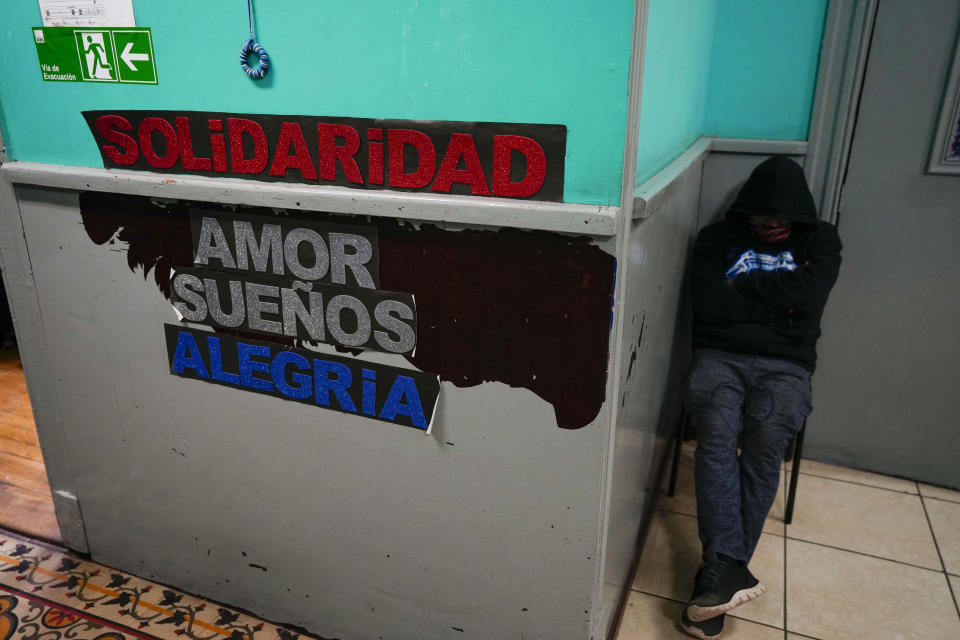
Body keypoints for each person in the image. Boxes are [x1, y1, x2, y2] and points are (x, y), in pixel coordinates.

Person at [679, 156, 841, 639]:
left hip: (787, 368)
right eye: (760, 218)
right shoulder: (715, 240)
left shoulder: (821, 240)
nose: (769, 225)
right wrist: (780, 306)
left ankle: (720, 571)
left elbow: (811, 298)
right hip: (719, 356)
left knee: (767, 442)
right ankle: (728, 570)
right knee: (716, 437)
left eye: (779, 220)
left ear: (798, 215)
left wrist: (746, 284)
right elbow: (709, 304)